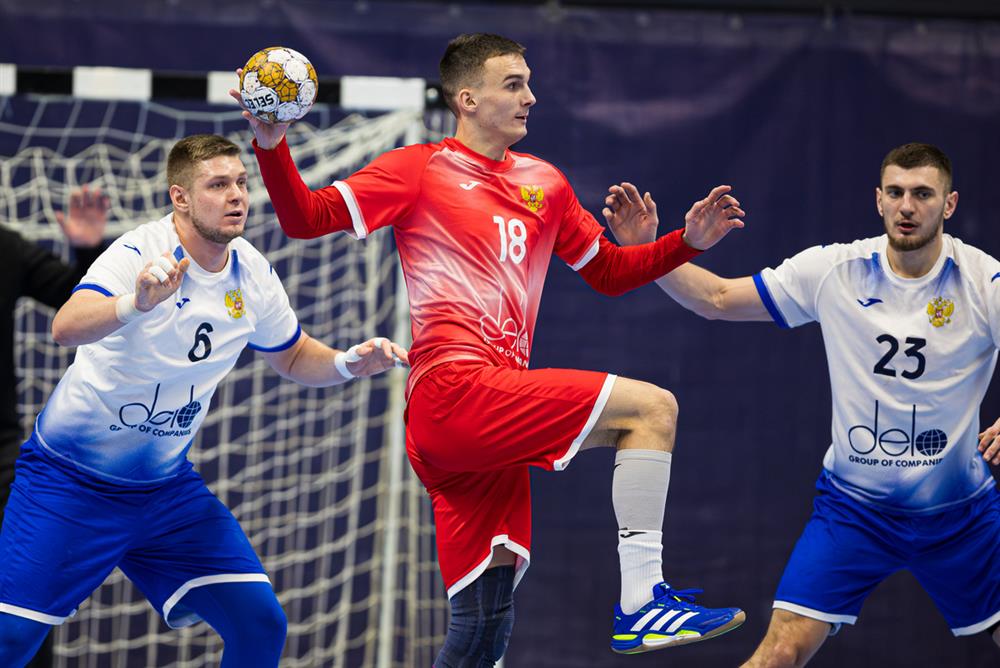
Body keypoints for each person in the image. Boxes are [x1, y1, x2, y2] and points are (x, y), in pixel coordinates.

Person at [235, 33, 748, 664]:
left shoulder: (546, 184)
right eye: (514, 84)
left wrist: (684, 243)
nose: (531, 97)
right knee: (652, 409)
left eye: (529, 83)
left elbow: (609, 273)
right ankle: (644, 603)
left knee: (483, 627)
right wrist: (270, 145)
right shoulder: (417, 169)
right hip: (454, 392)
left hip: (484, 419)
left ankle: (637, 608)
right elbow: (305, 217)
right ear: (468, 99)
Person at [0, 134, 408, 668]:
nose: (237, 195)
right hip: (69, 484)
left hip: (164, 492)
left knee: (260, 623)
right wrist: (135, 303)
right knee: (10, 643)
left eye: (241, 182)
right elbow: (65, 327)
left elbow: (291, 355)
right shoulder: (139, 252)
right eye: (218, 185)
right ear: (181, 198)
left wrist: (347, 363)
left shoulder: (252, 271)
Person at [603, 142, 1000, 667]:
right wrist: (647, 251)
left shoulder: (983, 281)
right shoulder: (836, 270)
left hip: (961, 515)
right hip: (854, 511)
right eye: (896, 192)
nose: (907, 206)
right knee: (780, 652)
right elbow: (717, 299)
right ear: (878, 199)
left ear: (949, 204)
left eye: (923, 194)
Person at [0, 187, 109, 668]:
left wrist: (88, 250)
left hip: (2, 458)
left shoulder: (5, 247)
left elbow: (79, 301)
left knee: (21, 602)